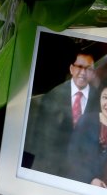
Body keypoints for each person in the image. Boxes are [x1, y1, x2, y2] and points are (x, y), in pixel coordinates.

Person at [30, 48, 99, 177]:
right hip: (53, 168)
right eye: (79, 66)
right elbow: (41, 140)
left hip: (84, 171)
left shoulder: (99, 98)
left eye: (88, 69)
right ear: (71, 69)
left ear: (93, 73)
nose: (83, 73)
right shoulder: (53, 95)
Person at [66, 76, 107, 183]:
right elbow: (72, 156)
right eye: (104, 97)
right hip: (78, 181)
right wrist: (91, 180)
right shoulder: (86, 120)